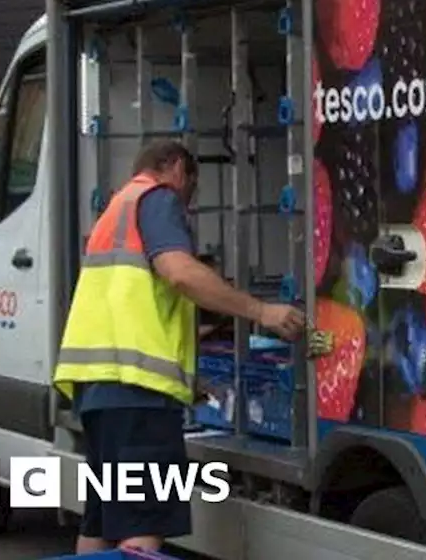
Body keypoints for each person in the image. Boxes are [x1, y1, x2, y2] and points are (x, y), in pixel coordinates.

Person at [52, 140, 305, 554]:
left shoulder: (117, 209)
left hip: (100, 392)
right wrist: (261, 311)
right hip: (138, 398)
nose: (190, 196)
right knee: (141, 524)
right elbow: (180, 273)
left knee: (101, 521)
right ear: (173, 168)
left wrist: (190, 379)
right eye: (191, 182)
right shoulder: (157, 198)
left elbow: (133, 310)